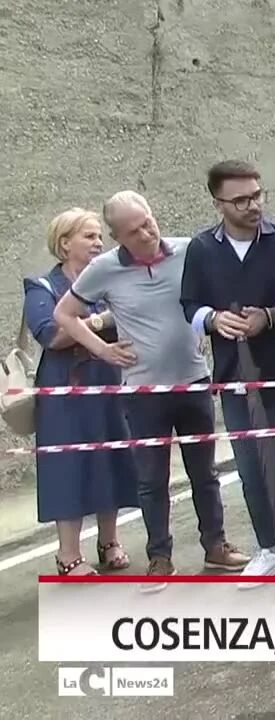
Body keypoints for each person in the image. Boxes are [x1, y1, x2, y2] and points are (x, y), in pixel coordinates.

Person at [53, 191, 249, 587]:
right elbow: (64, 314)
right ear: (117, 236)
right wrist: (103, 350)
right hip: (143, 392)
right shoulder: (104, 269)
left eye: (148, 221)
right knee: (151, 480)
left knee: (204, 472)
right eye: (134, 230)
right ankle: (160, 557)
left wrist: (206, 326)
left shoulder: (187, 250)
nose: (147, 233)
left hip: (193, 380)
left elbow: (211, 298)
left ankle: (216, 547)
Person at [181, 160, 275, 579]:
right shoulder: (203, 249)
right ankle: (269, 548)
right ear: (218, 204)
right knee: (250, 471)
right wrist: (212, 319)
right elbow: (189, 304)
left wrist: (271, 317)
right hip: (232, 377)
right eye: (240, 199)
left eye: (257, 195)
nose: (253, 205)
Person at [25, 208, 138, 575]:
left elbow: (131, 321)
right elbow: (53, 335)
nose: (98, 243)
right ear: (64, 244)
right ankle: (68, 554)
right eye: (89, 236)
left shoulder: (107, 282)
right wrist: (101, 320)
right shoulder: (41, 288)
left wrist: (87, 321)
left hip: (107, 383)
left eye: (99, 236)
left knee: (111, 462)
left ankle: (109, 542)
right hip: (63, 392)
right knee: (68, 468)